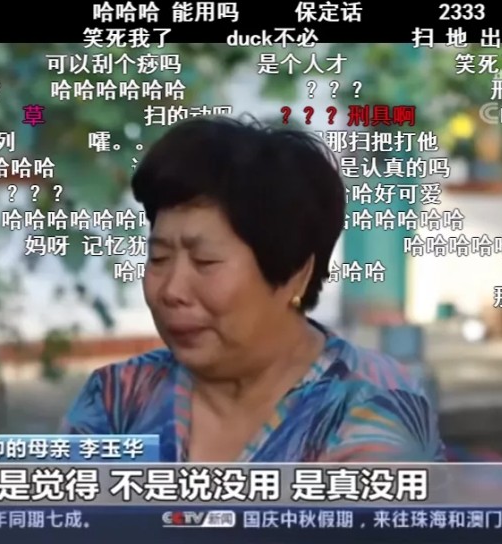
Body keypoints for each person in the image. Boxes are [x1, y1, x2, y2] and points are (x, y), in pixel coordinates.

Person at [62, 117, 445, 462]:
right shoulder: (116, 399)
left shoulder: (375, 408)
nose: (172, 290)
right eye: (159, 258)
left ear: (295, 273)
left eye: (205, 262)